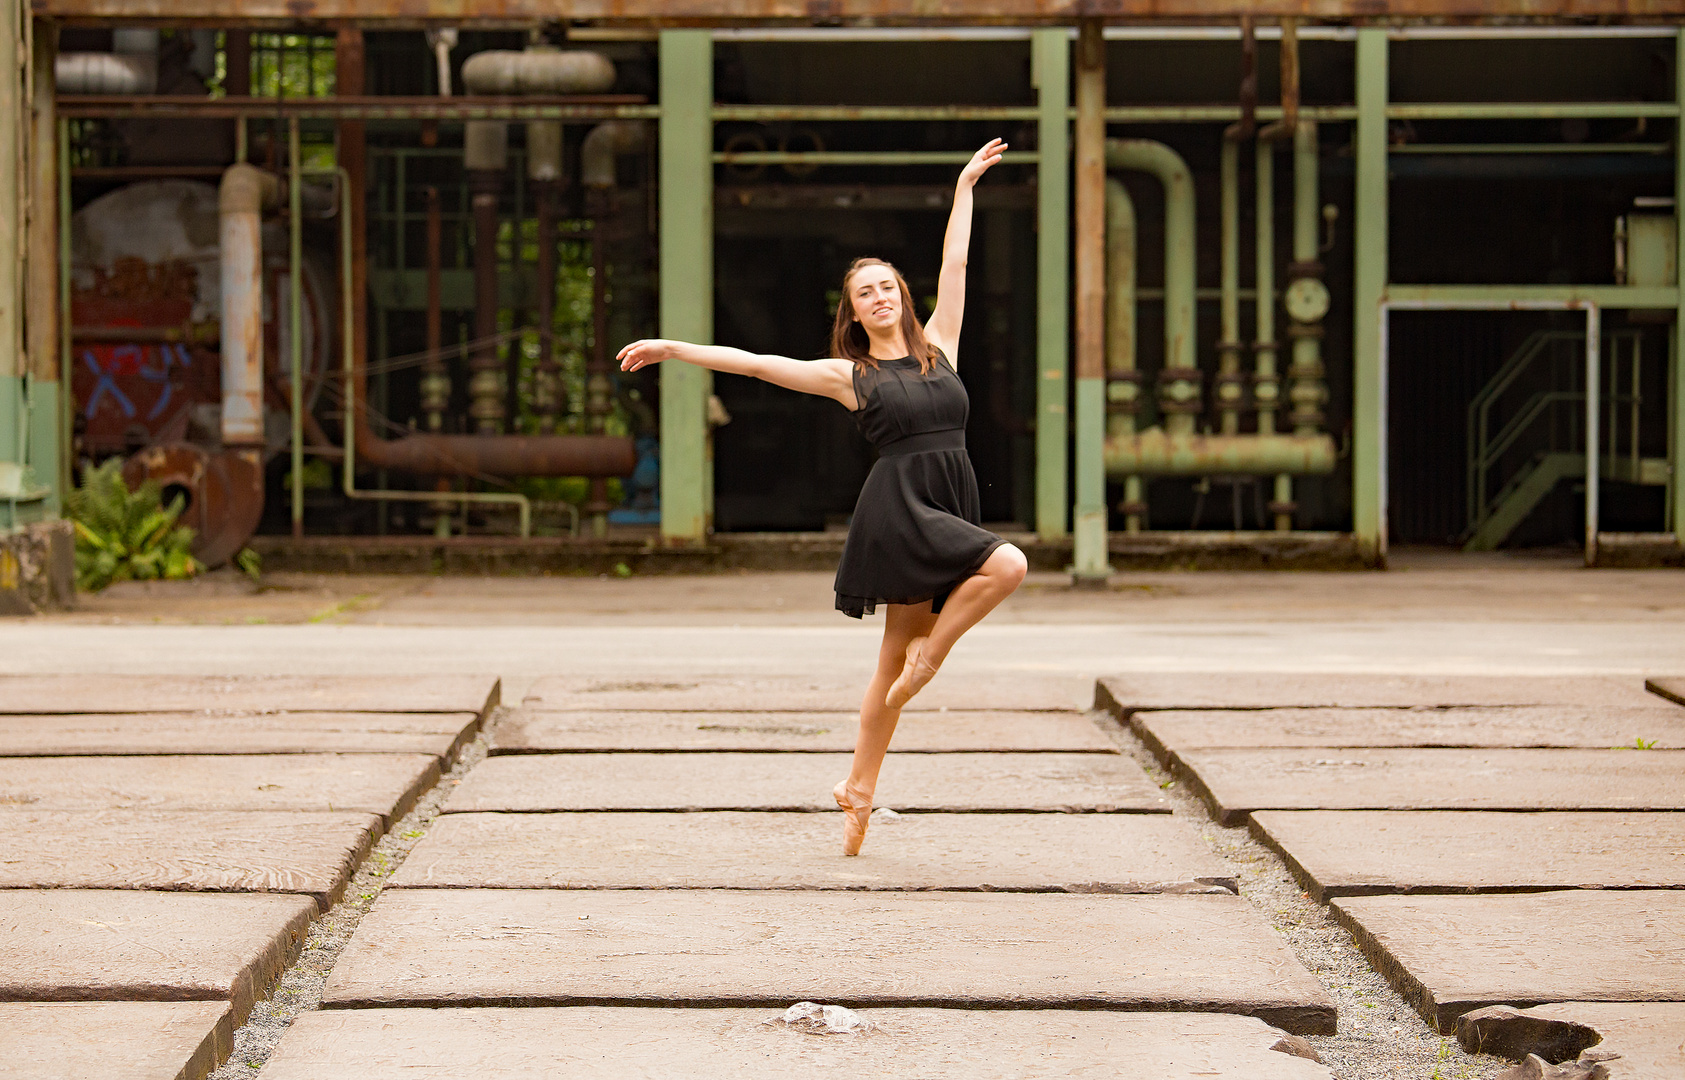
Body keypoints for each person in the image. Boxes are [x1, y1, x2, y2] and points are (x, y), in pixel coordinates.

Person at [617, 139, 1028, 856]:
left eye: (887, 286)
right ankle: (931, 661)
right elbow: (756, 365)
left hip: (949, 496)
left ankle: (859, 786)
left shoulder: (941, 346)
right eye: (865, 292)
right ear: (854, 312)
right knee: (1007, 567)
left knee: (886, 659)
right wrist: (676, 348)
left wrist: (964, 185)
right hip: (900, 510)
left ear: (903, 295)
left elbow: (955, 265)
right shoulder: (850, 375)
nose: (880, 296)